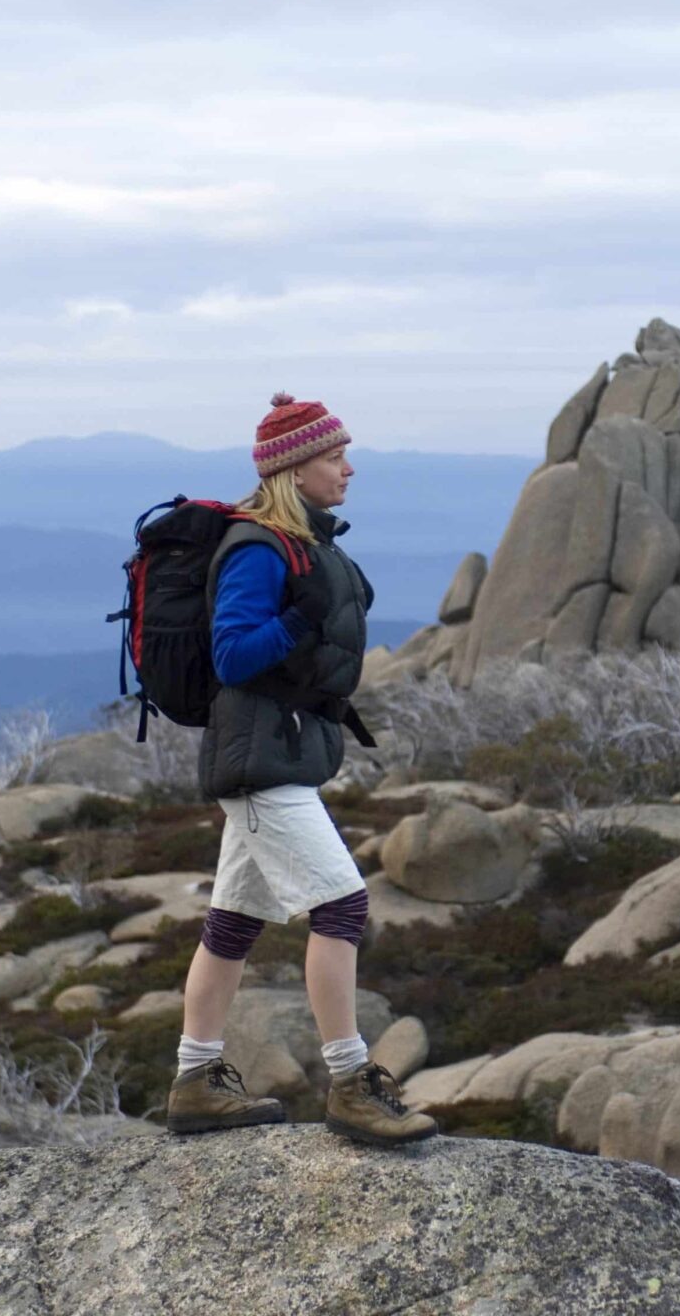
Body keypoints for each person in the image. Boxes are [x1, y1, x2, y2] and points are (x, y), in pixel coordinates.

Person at [164, 392, 438, 1146]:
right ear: (293, 470)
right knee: (343, 907)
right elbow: (233, 656)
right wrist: (301, 617)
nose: (347, 469)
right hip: (260, 763)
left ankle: (195, 1080)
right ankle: (350, 1082)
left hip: (278, 752)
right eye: (333, 457)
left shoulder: (302, 544)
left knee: (232, 924)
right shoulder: (258, 549)